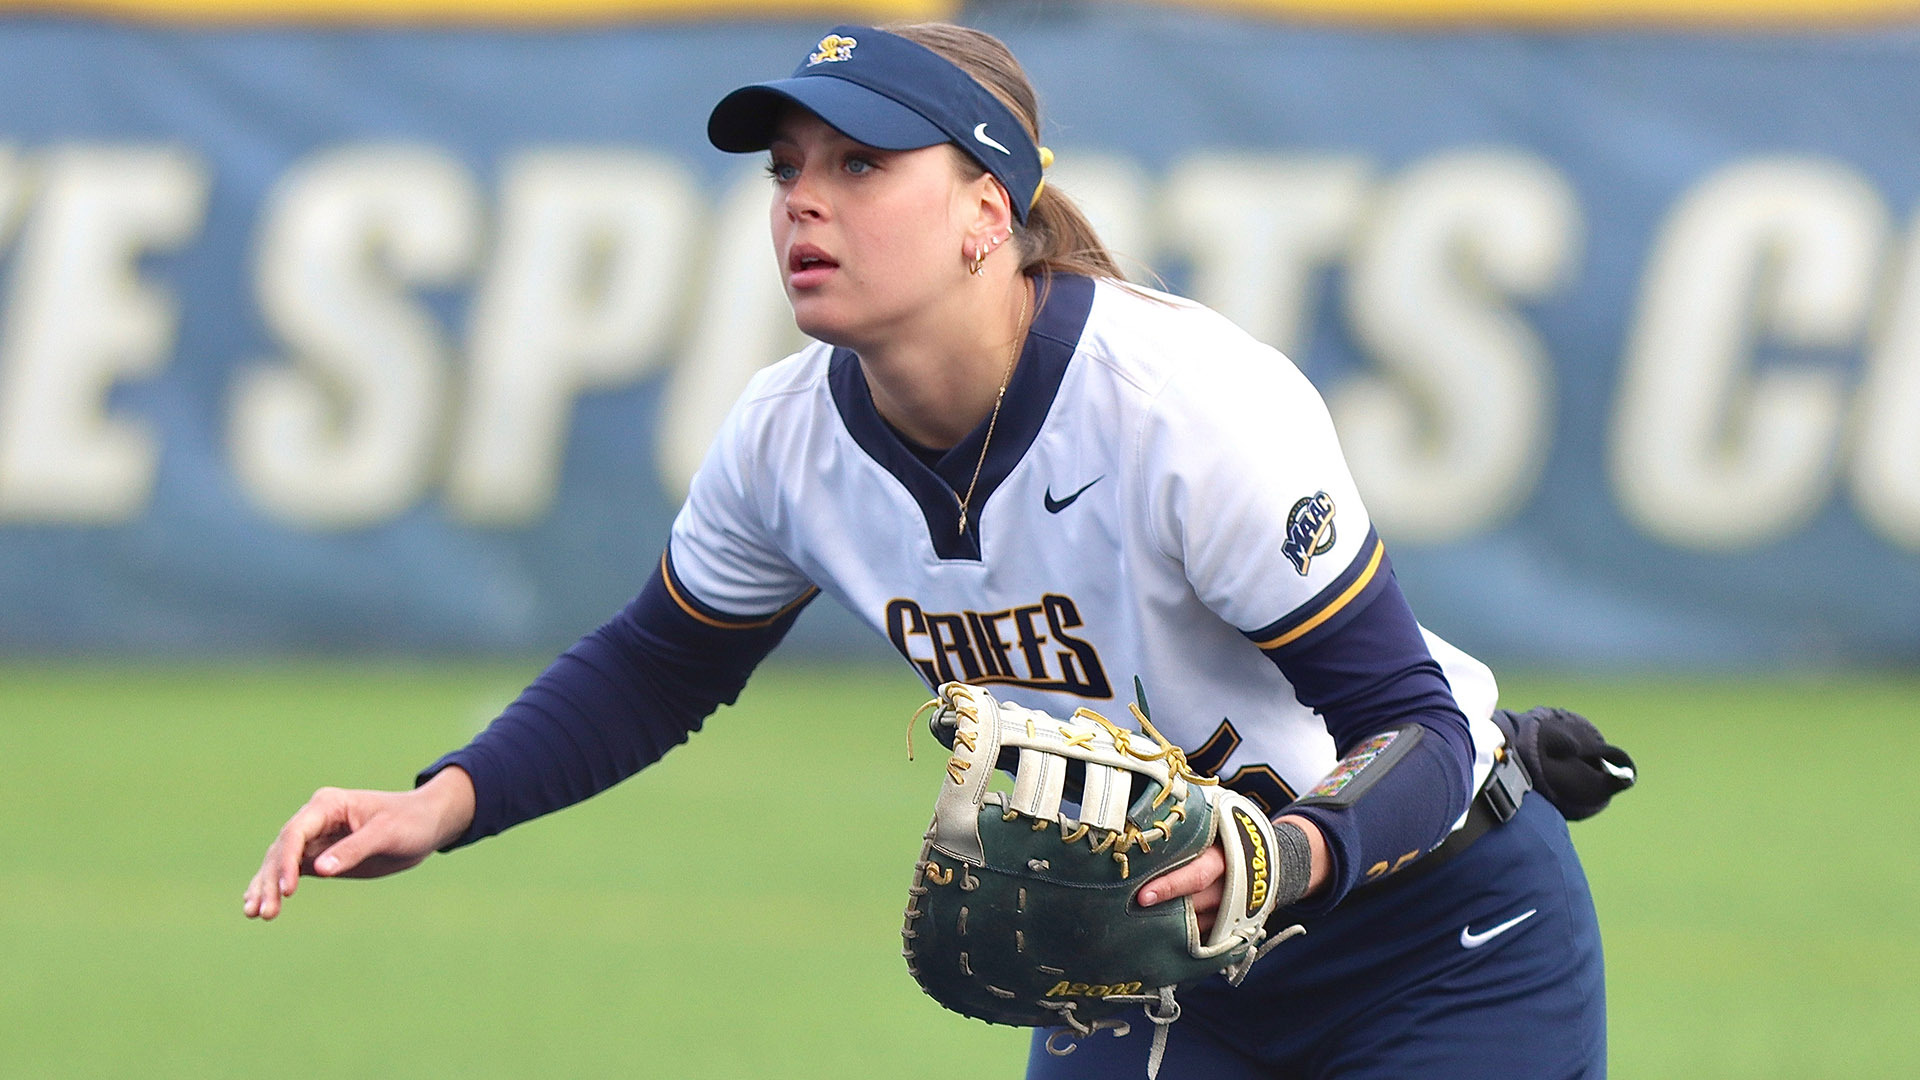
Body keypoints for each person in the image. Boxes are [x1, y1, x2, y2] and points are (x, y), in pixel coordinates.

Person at [244, 22, 1617, 1078]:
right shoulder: (786, 441)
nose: (803, 201)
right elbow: (660, 663)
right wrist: (445, 800)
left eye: (861, 164)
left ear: (986, 211)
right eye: (786, 169)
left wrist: (1287, 858)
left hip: (1432, 937)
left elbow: (1415, 724)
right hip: (1150, 958)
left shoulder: (1183, 407)